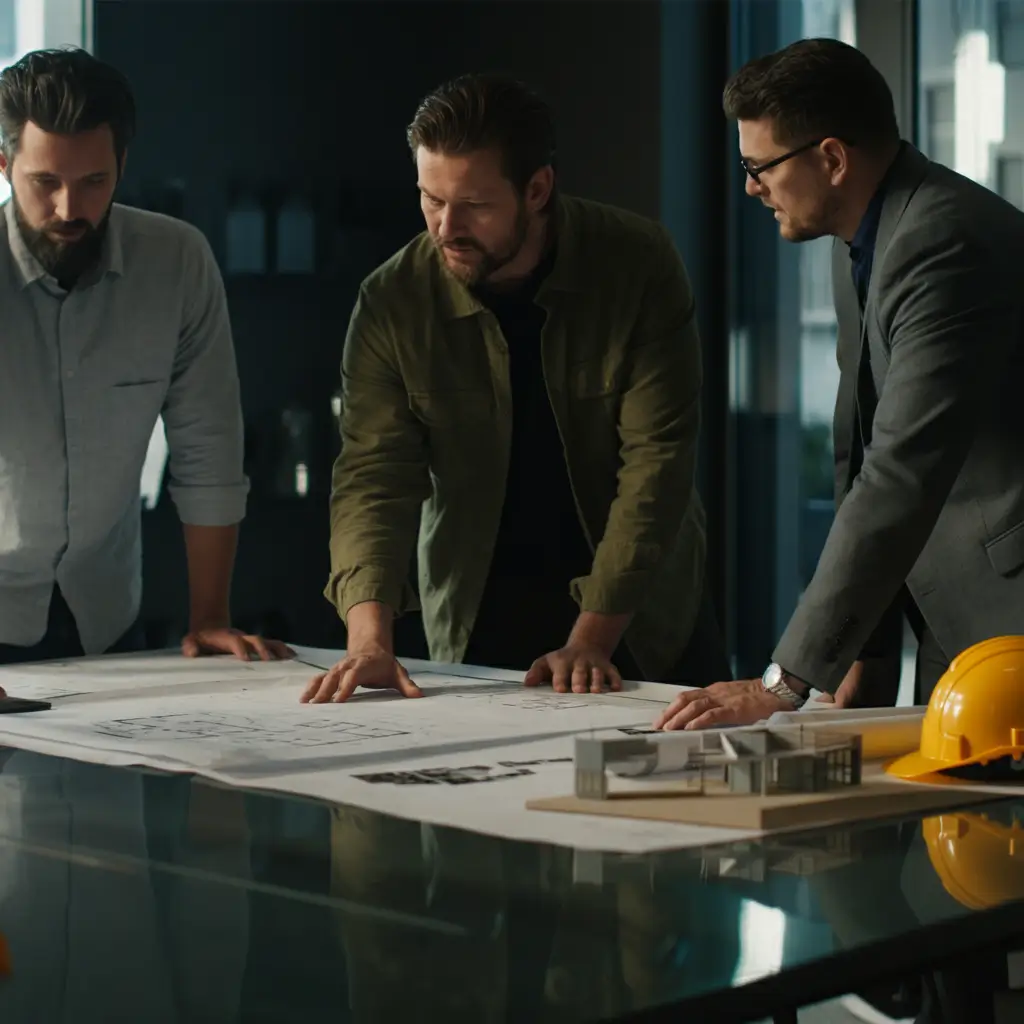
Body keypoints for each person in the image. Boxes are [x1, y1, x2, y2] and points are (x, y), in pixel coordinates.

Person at [304, 73, 728, 704]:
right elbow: (373, 475)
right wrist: (369, 640)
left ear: (536, 190)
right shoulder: (392, 299)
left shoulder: (637, 264)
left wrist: (591, 640)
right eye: (430, 199)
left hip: (639, 614)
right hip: (477, 607)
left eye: (473, 205)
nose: (446, 227)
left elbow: (656, 465)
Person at [656, 37, 1024, 732]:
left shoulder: (942, 241)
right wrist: (866, 648)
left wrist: (783, 682)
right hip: (954, 608)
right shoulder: (867, 237)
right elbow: (858, 449)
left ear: (831, 159)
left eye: (758, 166)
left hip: (1007, 604)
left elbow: (902, 470)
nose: (749, 187)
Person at [0, 48, 292, 693]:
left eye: (94, 181)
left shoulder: (176, 262)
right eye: (45, 182)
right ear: (4, 166)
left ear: (123, 165)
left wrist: (211, 616)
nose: (70, 207)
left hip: (104, 615)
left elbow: (209, 449)